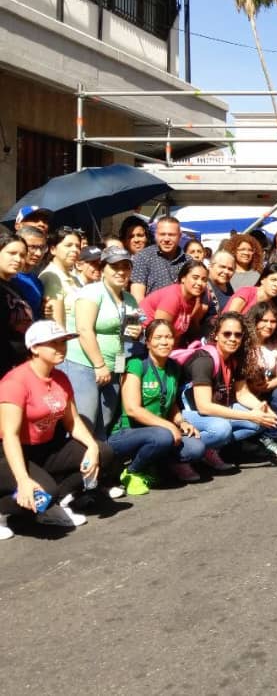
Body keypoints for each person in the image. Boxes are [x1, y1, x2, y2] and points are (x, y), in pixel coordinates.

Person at [0, 320, 119, 534]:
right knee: (43, 492)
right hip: (9, 453)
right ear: (34, 348)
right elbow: (10, 435)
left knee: (103, 453)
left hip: (45, 448)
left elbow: (72, 421)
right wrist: (23, 480)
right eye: (53, 343)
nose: (61, 347)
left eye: (63, 342)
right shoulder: (15, 382)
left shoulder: (60, 377)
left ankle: (50, 504)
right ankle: (9, 507)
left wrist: (92, 446)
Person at [110, 320, 206, 493]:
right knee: (163, 437)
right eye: (158, 337)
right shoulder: (136, 364)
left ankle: (157, 466)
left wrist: (181, 422)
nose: (164, 342)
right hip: (126, 432)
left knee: (196, 448)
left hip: (158, 431)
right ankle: (131, 472)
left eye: (168, 337)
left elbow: (171, 403)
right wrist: (169, 426)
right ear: (147, 342)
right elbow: (132, 409)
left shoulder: (174, 367)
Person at [179, 312, 277, 472]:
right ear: (216, 335)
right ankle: (182, 454)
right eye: (227, 333)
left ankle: (210, 449)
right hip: (186, 413)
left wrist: (261, 408)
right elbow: (204, 406)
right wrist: (250, 415)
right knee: (222, 429)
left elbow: (242, 394)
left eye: (238, 335)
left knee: (259, 422)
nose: (232, 338)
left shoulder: (235, 358)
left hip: (214, 409)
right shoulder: (204, 360)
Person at [60, 245, 142, 438]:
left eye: (126, 266)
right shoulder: (91, 292)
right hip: (84, 365)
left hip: (114, 367)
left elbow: (129, 334)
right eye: (115, 267)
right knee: (84, 423)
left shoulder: (130, 299)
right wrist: (99, 364)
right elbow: (83, 329)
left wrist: (135, 331)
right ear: (103, 268)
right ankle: (78, 466)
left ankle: (99, 464)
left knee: (104, 422)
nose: (121, 271)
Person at [243, 303, 277, 457]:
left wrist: (268, 385)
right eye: (264, 321)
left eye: (273, 322)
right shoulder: (244, 343)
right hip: (245, 390)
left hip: (266, 388)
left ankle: (269, 438)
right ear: (255, 321)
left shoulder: (276, 344)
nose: (269, 325)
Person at [139, 260, 210, 348]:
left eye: (204, 279)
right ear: (183, 278)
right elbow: (159, 333)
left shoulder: (192, 299)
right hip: (143, 341)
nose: (200, 283)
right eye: (195, 278)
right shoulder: (173, 297)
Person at [0, 233, 35, 376]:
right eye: (12, 253)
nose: (18, 259)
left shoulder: (15, 287)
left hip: (16, 367)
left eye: (22, 255)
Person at [130, 217, 187, 302]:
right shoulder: (143, 257)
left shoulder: (188, 261)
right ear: (156, 235)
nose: (166, 239)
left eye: (171, 235)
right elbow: (137, 298)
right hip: (151, 314)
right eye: (162, 234)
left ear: (180, 236)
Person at [38, 226, 82, 326]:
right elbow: (56, 324)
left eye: (78, 246)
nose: (75, 250)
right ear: (53, 249)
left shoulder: (74, 278)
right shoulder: (51, 276)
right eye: (68, 245)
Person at [204, 250, 237, 322]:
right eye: (222, 267)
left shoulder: (228, 285)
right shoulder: (203, 287)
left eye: (230, 269)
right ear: (210, 266)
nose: (226, 272)